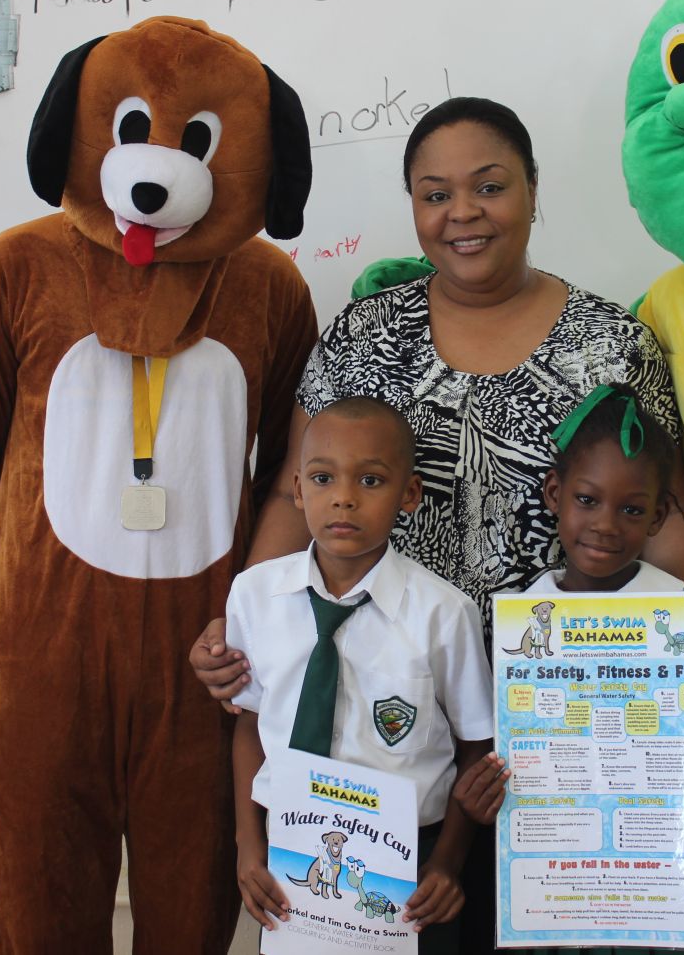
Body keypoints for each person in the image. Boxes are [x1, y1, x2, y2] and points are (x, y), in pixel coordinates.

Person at [195, 96, 684, 950]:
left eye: (489, 186)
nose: (461, 212)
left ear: (533, 189)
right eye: (435, 194)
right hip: (395, 741)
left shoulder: (612, 344)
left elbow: (667, 510)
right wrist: (241, 626)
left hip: (568, 731)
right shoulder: (362, 336)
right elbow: (289, 494)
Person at [453, 386, 684, 955]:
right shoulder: (524, 620)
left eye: (632, 509)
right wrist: (475, 802)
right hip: (550, 901)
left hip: (659, 901)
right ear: (555, 494)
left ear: (658, 516)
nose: (606, 524)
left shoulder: (678, 614)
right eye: (588, 500)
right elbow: (503, 750)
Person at [225, 397, 493, 952]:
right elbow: (250, 723)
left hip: (410, 866)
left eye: (370, 480)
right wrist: (248, 845)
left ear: (409, 495)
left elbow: (476, 748)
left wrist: (447, 863)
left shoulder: (444, 614)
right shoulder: (254, 595)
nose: (343, 497)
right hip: (289, 851)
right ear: (298, 490)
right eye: (323, 478)